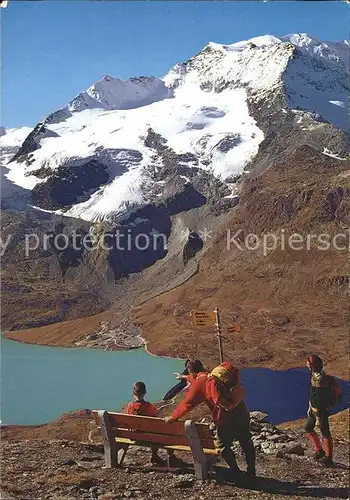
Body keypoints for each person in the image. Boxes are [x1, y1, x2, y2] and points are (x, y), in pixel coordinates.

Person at [165, 361, 256, 480]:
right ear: (202, 367)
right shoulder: (212, 375)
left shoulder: (200, 383)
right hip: (241, 411)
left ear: (192, 372)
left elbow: (187, 404)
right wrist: (184, 377)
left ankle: (235, 471)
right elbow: (198, 379)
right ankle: (251, 470)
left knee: (223, 446)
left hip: (225, 418)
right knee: (245, 440)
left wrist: (173, 417)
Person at [126, 381, 183, 467]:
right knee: (160, 432)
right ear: (145, 392)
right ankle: (168, 456)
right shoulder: (149, 406)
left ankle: (155, 456)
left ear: (133, 393)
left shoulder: (130, 406)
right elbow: (155, 418)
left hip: (134, 437)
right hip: (149, 437)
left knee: (153, 432)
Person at [304, 354, 342, 467]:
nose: (307, 366)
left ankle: (329, 458)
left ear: (313, 365)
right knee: (307, 427)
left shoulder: (324, 379)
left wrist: (319, 417)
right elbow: (313, 395)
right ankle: (319, 451)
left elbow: (320, 399)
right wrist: (309, 407)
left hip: (322, 411)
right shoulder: (314, 376)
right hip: (313, 410)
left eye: (308, 364)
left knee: (325, 432)